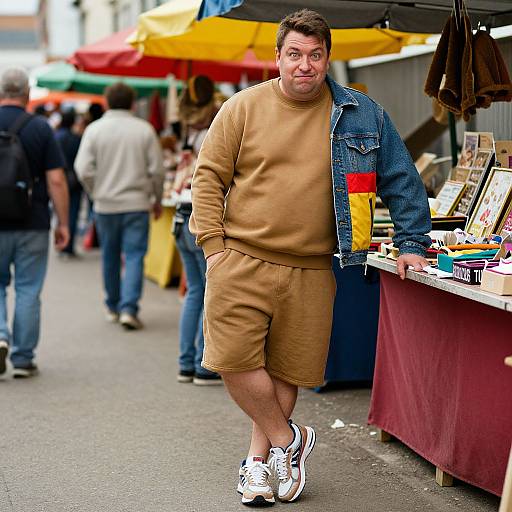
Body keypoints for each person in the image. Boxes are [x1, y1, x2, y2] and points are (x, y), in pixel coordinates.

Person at [189, 9, 431, 506]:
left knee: (287, 370)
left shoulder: (362, 113)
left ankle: (258, 463)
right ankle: (288, 441)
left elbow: (401, 178)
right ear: (277, 58)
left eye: (315, 55)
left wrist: (411, 243)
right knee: (230, 359)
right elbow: (209, 177)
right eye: (294, 55)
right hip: (241, 257)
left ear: (327, 59)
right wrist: (213, 248)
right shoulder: (242, 107)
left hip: (315, 266)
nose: (305, 65)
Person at [75, 82, 164, 330]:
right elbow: (157, 171)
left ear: (106, 101)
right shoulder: (144, 130)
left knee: (110, 256)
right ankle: (129, 308)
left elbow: (82, 169)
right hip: (136, 203)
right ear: (133, 103)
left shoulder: (94, 130)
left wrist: (96, 192)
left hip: (105, 204)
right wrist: (156, 199)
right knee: (135, 256)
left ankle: (112, 305)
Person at [0, 68, 70, 379]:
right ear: (27, 93)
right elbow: (56, 180)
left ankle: (0, 335)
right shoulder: (40, 127)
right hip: (33, 220)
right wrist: (63, 223)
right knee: (28, 289)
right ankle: (23, 358)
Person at [174, 76, 222, 386]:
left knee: (195, 292)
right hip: (202, 218)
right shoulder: (214, 134)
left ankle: (185, 364)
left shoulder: (191, 136)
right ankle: (205, 364)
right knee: (211, 293)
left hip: (180, 216)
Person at [55, 109, 83, 258]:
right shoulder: (76, 138)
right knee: (72, 213)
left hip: (58, 178)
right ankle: (68, 246)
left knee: (59, 213)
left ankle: (59, 243)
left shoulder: (55, 137)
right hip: (74, 181)